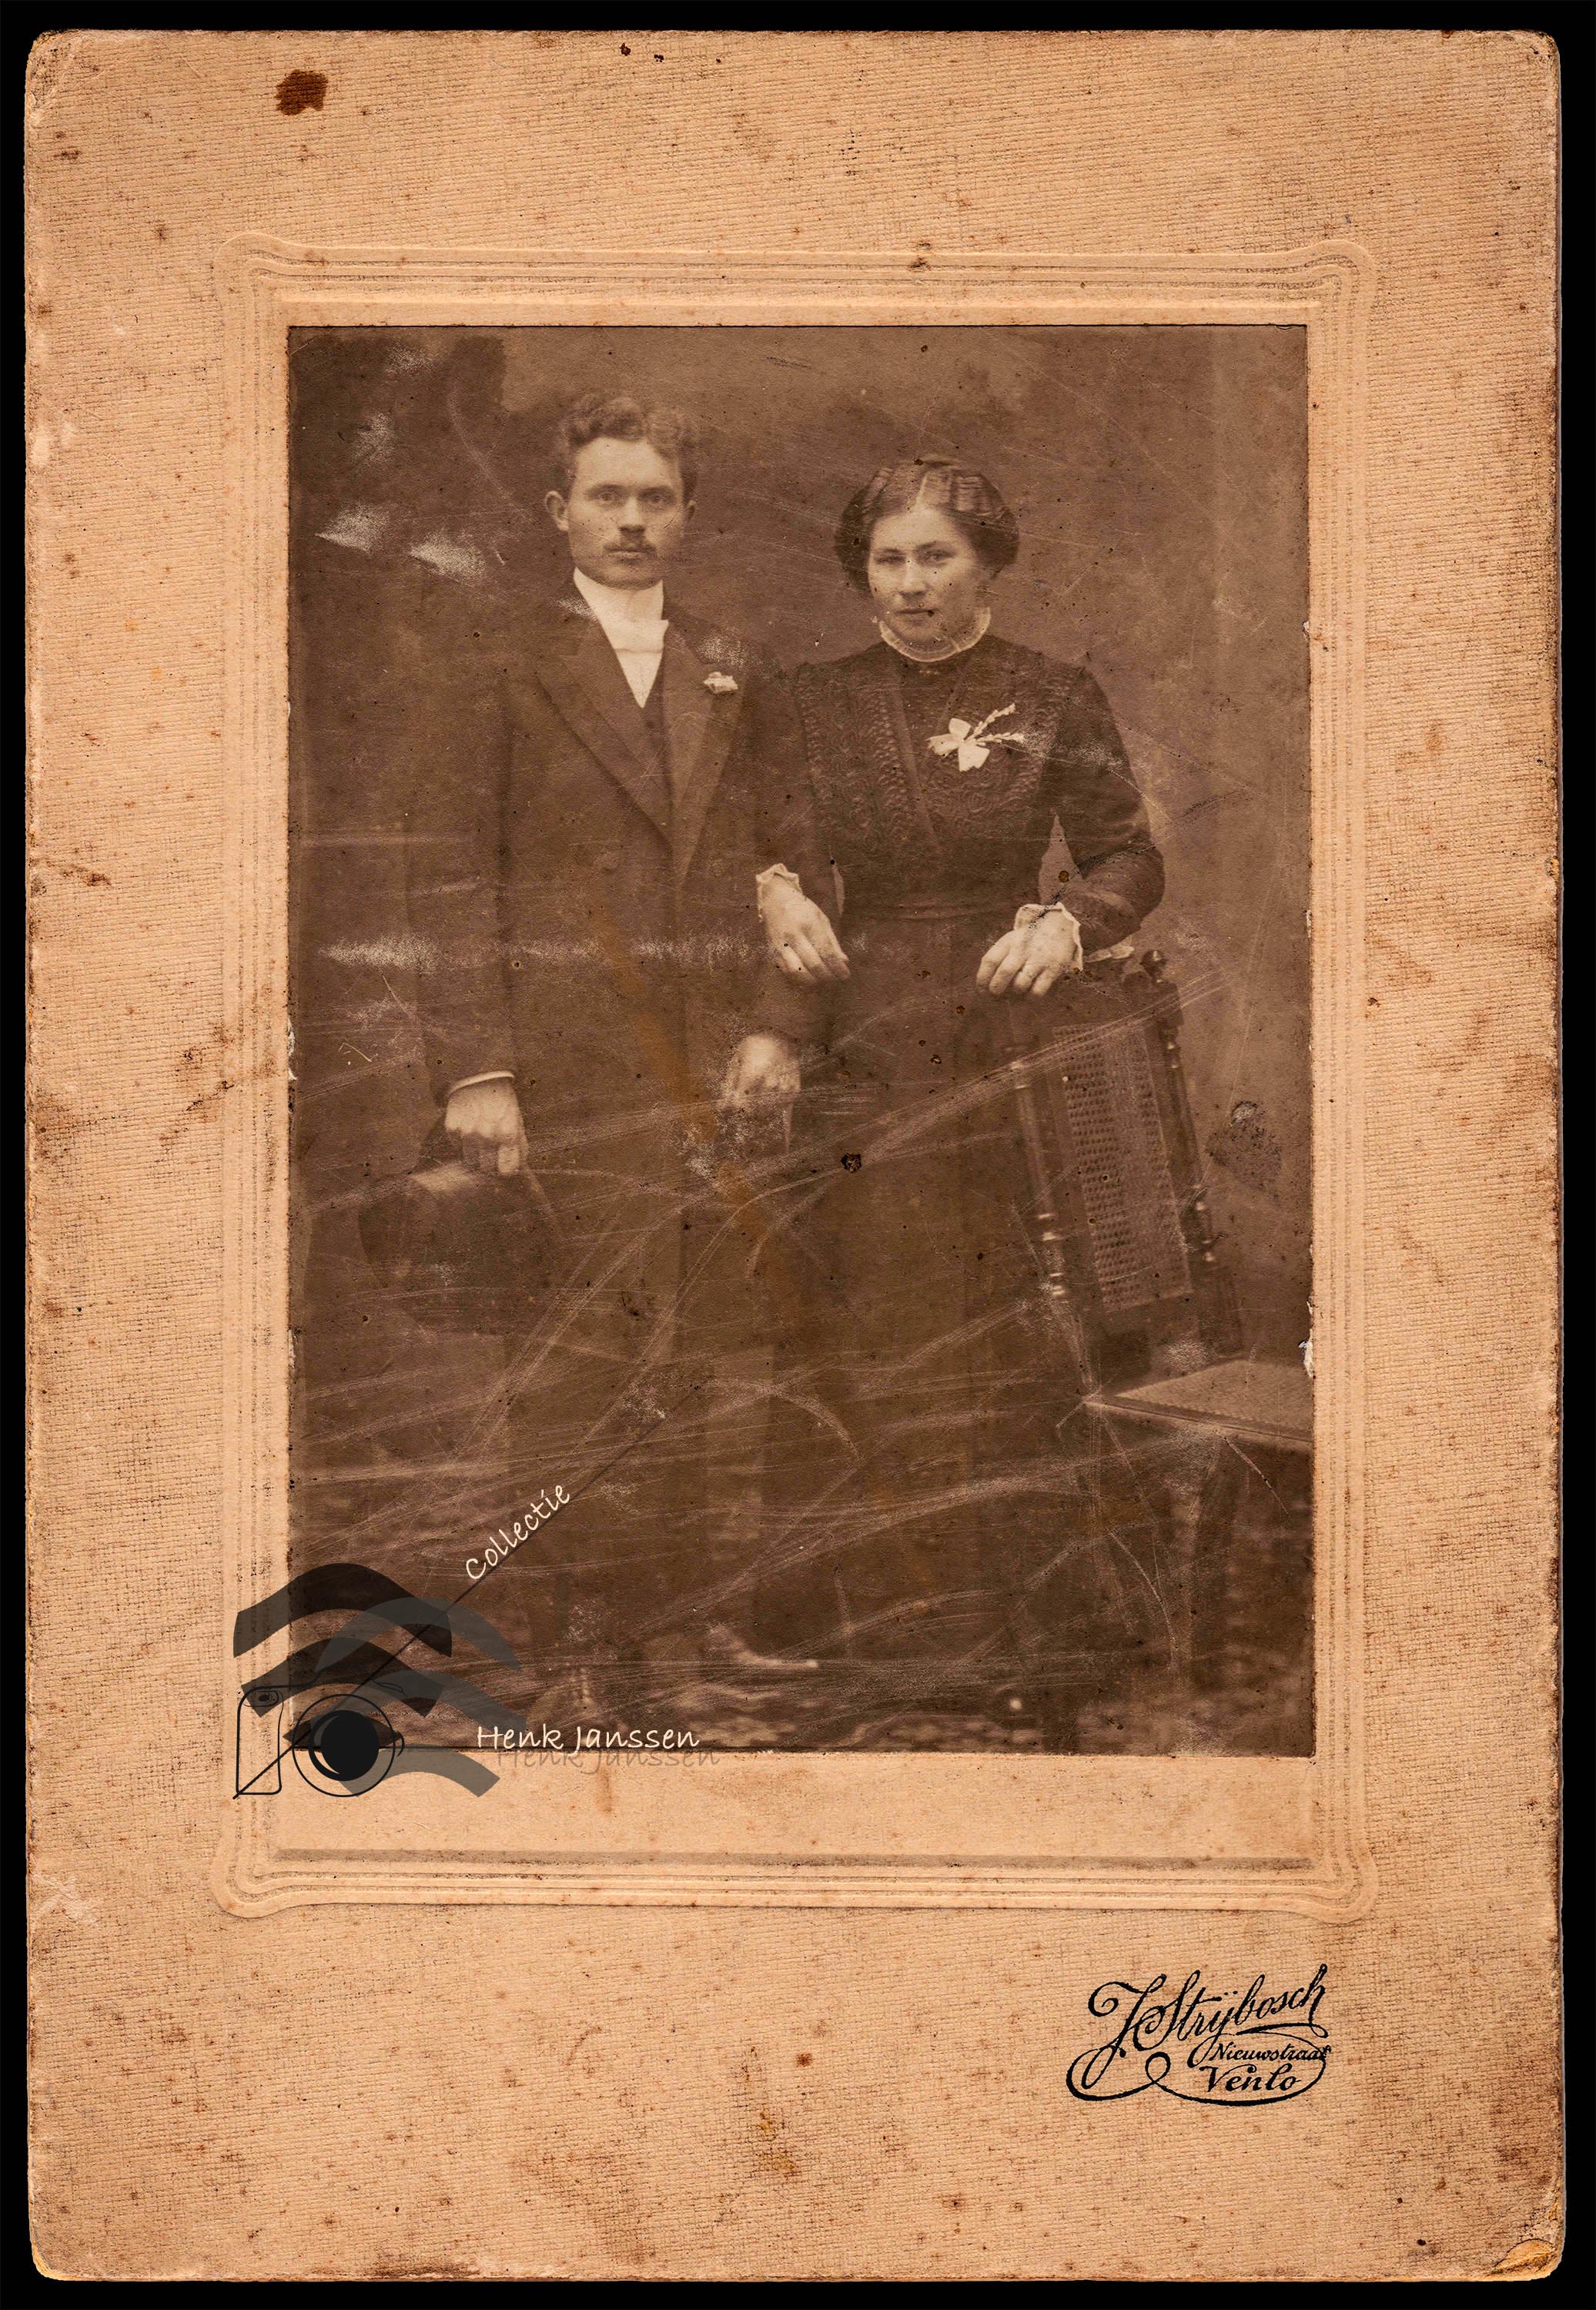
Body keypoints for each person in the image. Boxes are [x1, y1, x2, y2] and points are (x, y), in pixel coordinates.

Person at [403, 391, 832, 1720]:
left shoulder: (732, 666)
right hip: (563, 1069)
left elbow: (795, 854)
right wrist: (479, 1069)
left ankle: (687, 1637)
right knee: (576, 1366)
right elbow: (450, 878)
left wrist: (774, 1025)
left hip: (711, 1067)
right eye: (607, 495)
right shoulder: (493, 657)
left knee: (700, 1358)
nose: (633, 520)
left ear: (686, 515)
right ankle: (574, 1645)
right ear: (558, 512)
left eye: (656, 497)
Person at [743, 454, 1166, 1738]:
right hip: (862, 1035)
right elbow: (772, 856)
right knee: (870, 1315)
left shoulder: (1054, 692)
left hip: (1008, 1030)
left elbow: (1127, 855)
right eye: (888, 560)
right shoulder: (808, 702)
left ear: (987, 565)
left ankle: (1026, 1630)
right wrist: (774, 904)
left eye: (935, 558)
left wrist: (1067, 921)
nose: (910, 585)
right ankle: (866, 1630)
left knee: (1013, 1318)